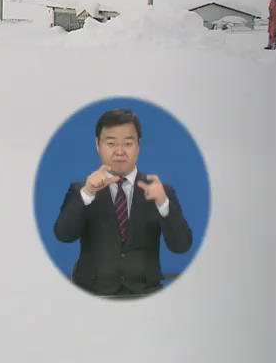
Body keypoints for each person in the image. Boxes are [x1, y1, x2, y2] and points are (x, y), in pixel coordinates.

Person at [53, 109, 193, 297]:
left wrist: (163, 203)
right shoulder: (81, 190)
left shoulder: (160, 191)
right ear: (98, 145)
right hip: (92, 293)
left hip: (146, 294)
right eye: (111, 143)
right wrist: (87, 193)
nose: (120, 151)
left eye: (128, 143)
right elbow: (63, 235)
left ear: (138, 146)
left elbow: (181, 246)